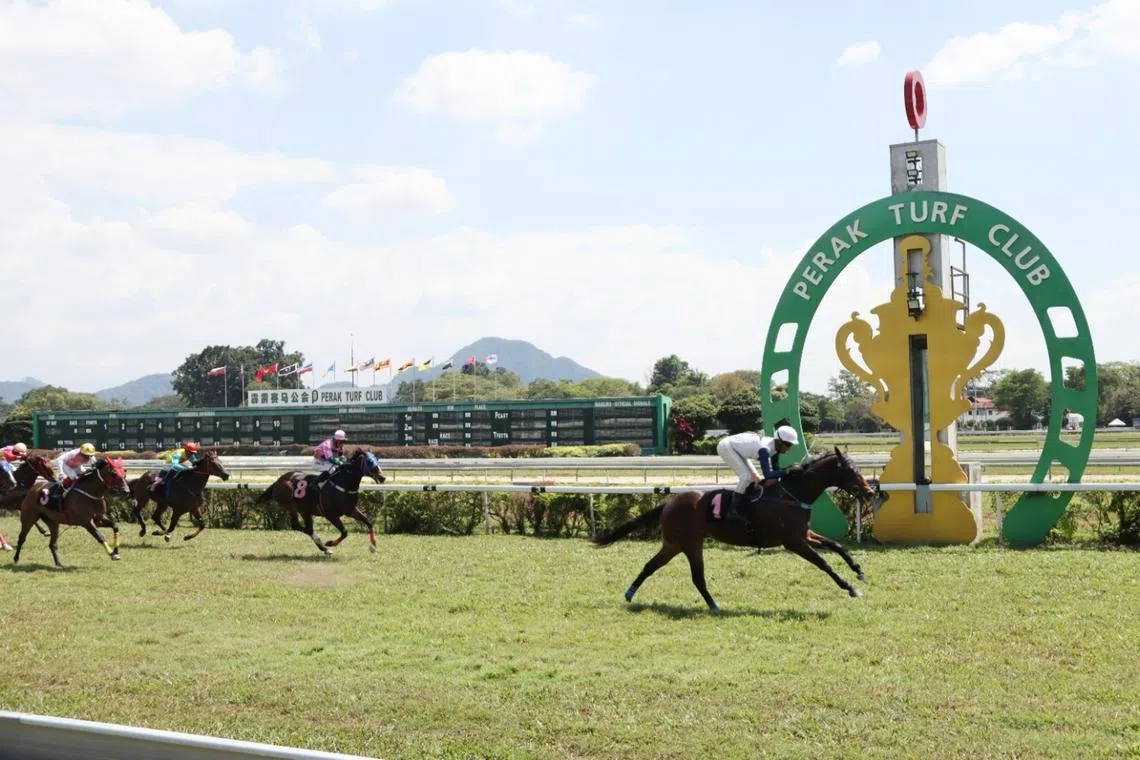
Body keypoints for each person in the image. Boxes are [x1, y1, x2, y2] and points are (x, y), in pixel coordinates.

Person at [715, 424, 799, 522]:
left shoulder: (776, 449)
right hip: (726, 446)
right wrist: (787, 470)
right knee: (746, 477)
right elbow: (768, 474)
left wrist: (786, 473)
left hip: (737, 449)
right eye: (788, 444)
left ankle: (747, 505)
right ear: (779, 442)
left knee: (756, 479)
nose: (789, 448)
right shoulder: (764, 450)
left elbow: (775, 472)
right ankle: (733, 511)